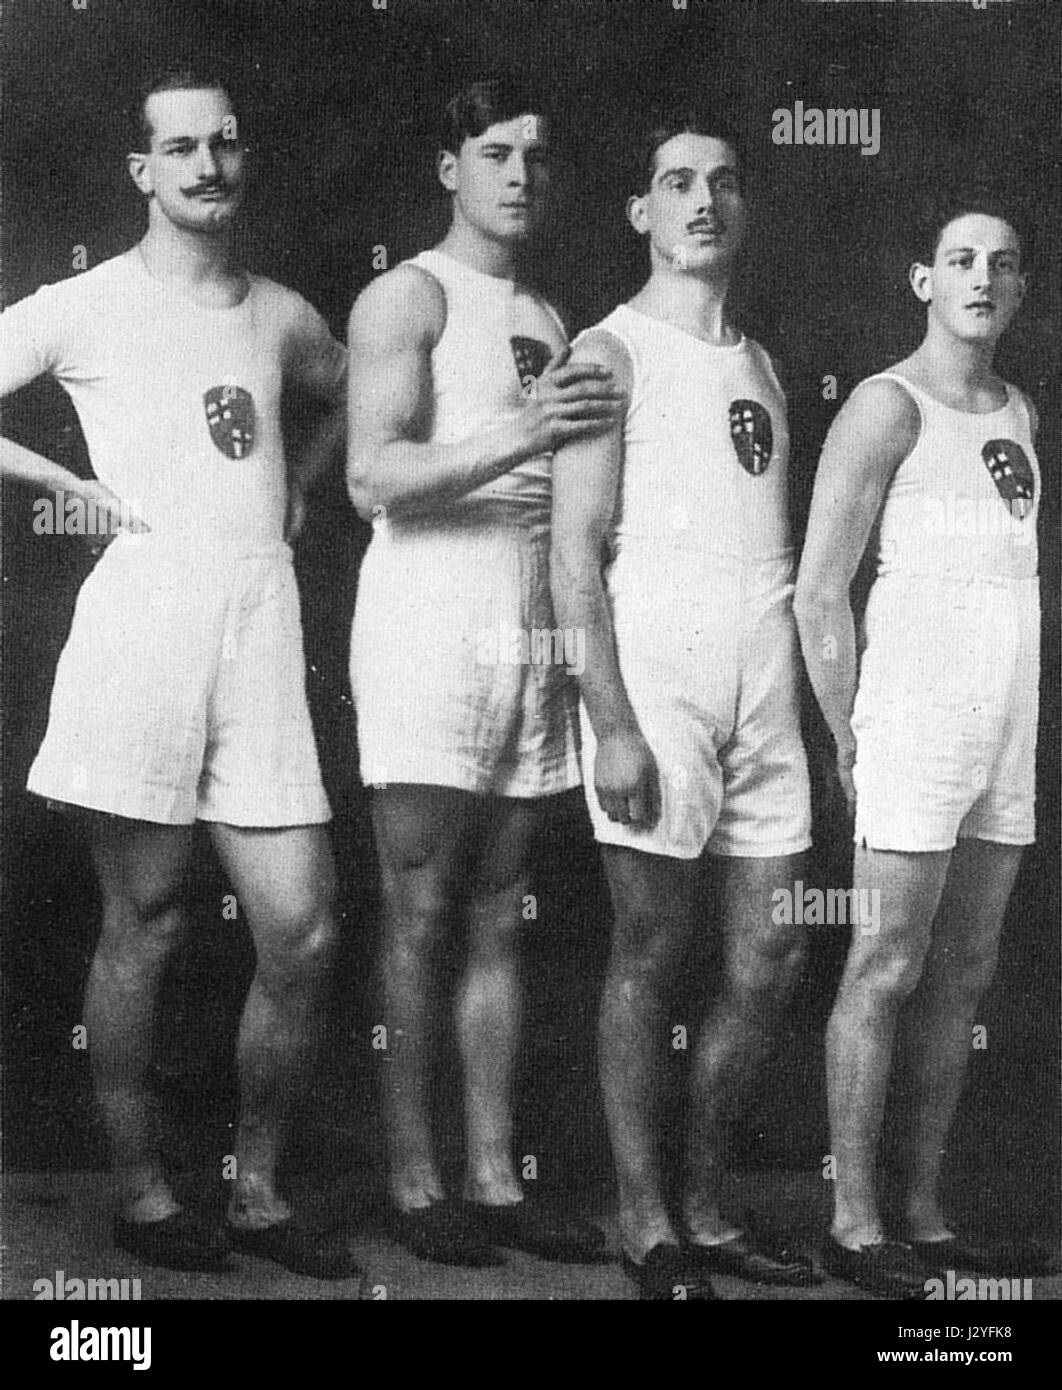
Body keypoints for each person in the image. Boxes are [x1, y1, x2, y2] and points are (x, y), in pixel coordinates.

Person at [0, 67, 358, 1280]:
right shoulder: (88, 305)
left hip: (260, 627)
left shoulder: (284, 314)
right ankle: (146, 1192)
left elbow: (361, 393)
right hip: (143, 626)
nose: (209, 165)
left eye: (227, 142)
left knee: (301, 929)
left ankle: (254, 1189)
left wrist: (306, 481)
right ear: (143, 172)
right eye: (181, 148)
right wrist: (63, 487)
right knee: (144, 921)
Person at [345, 78, 623, 1267]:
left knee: (499, 915)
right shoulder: (406, 294)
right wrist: (522, 427)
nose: (521, 174)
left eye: (539, 156)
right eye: (496, 152)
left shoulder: (555, 313)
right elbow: (371, 477)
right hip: (428, 617)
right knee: (419, 910)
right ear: (449, 167)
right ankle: (415, 1180)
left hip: (532, 622)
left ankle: (496, 1178)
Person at [550, 113, 819, 1299]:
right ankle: (641, 1214)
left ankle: (707, 1205)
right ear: (640, 213)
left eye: (721, 183)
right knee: (652, 948)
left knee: (771, 952)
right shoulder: (609, 352)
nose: (702, 200)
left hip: (764, 683)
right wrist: (608, 717)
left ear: (742, 208)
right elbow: (569, 555)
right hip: (656, 676)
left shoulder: (762, 364)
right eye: (675, 182)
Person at [794, 190, 1052, 1297]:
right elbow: (817, 593)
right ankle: (853, 1223)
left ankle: (927, 1212)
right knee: (887, 963)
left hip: (1006, 714)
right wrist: (853, 736)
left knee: (968, 970)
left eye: (1000, 263)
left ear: (1022, 287)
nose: (981, 279)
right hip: (913, 712)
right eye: (959, 260)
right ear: (924, 281)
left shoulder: (1020, 410)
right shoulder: (884, 408)